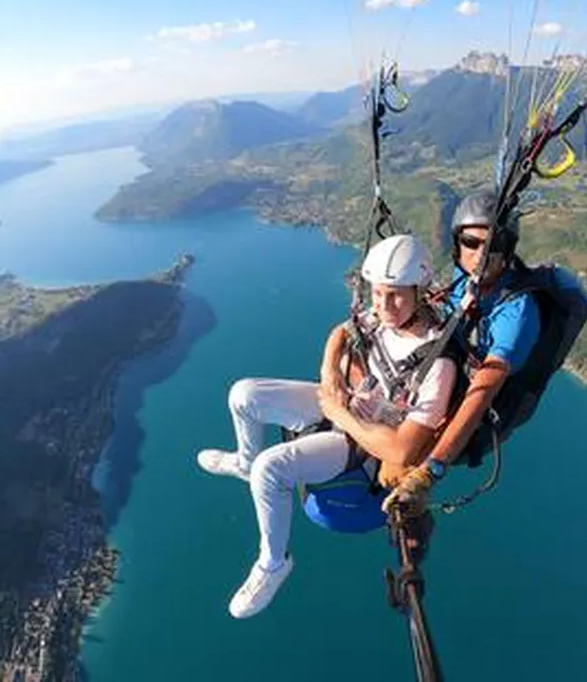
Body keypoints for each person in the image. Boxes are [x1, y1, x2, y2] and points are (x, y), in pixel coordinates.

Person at [196, 234, 457, 619]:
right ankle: (243, 464)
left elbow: (402, 450)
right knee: (244, 395)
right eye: (377, 293)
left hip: (363, 444)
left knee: (272, 468)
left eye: (396, 296)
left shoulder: (436, 363)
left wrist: (340, 413)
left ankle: (273, 563)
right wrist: (330, 373)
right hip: (344, 404)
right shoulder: (381, 318)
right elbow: (342, 332)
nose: (384, 305)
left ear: (420, 292)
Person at [382, 189, 542, 512]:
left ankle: (412, 525)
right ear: (457, 244)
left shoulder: (516, 313)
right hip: (446, 376)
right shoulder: (464, 278)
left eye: (493, 245)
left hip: (472, 411)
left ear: (507, 250)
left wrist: (430, 471)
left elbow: (483, 392)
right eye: (471, 242)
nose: (481, 254)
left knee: (395, 467)